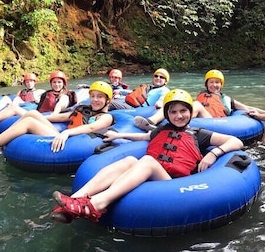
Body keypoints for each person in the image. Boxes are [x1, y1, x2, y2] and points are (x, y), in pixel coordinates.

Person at [49, 89, 244, 223]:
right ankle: (72, 203)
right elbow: (143, 136)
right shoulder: (161, 130)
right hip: (151, 176)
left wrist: (214, 154)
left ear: (190, 113)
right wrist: (119, 135)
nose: (179, 116)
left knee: (147, 161)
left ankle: (96, 204)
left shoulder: (199, 134)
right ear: (167, 114)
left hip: (174, 185)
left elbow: (236, 141)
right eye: (173, 112)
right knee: (129, 160)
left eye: (183, 111)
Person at [0, 81, 114, 162]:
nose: (95, 100)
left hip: (72, 142)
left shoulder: (106, 117)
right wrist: (37, 117)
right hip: (62, 136)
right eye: (93, 96)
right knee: (32, 114)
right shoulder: (84, 109)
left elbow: (91, 127)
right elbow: (61, 117)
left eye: (99, 97)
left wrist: (66, 132)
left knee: (29, 123)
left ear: (108, 100)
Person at [134, 69, 265, 131]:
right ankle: (151, 122)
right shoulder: (201, 95)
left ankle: (177, 126)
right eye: (211, 82)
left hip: (215, 122)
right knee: (175, 104)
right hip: (200, 119)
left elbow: (249, 108)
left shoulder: (227, 99)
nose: (214, 85)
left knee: (196, 105)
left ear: (221, 84)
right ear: (206, 84)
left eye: (217, 83)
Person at [0, 71, 77, 134]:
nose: (56, 84)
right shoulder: (49, 93)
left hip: (45, 118)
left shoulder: (65, 96)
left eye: (59, 82)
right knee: (12, 106)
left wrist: (54, 114)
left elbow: (60, 104)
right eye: (54, 82)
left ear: (63, 84)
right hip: (38, 114)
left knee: (13, 108)